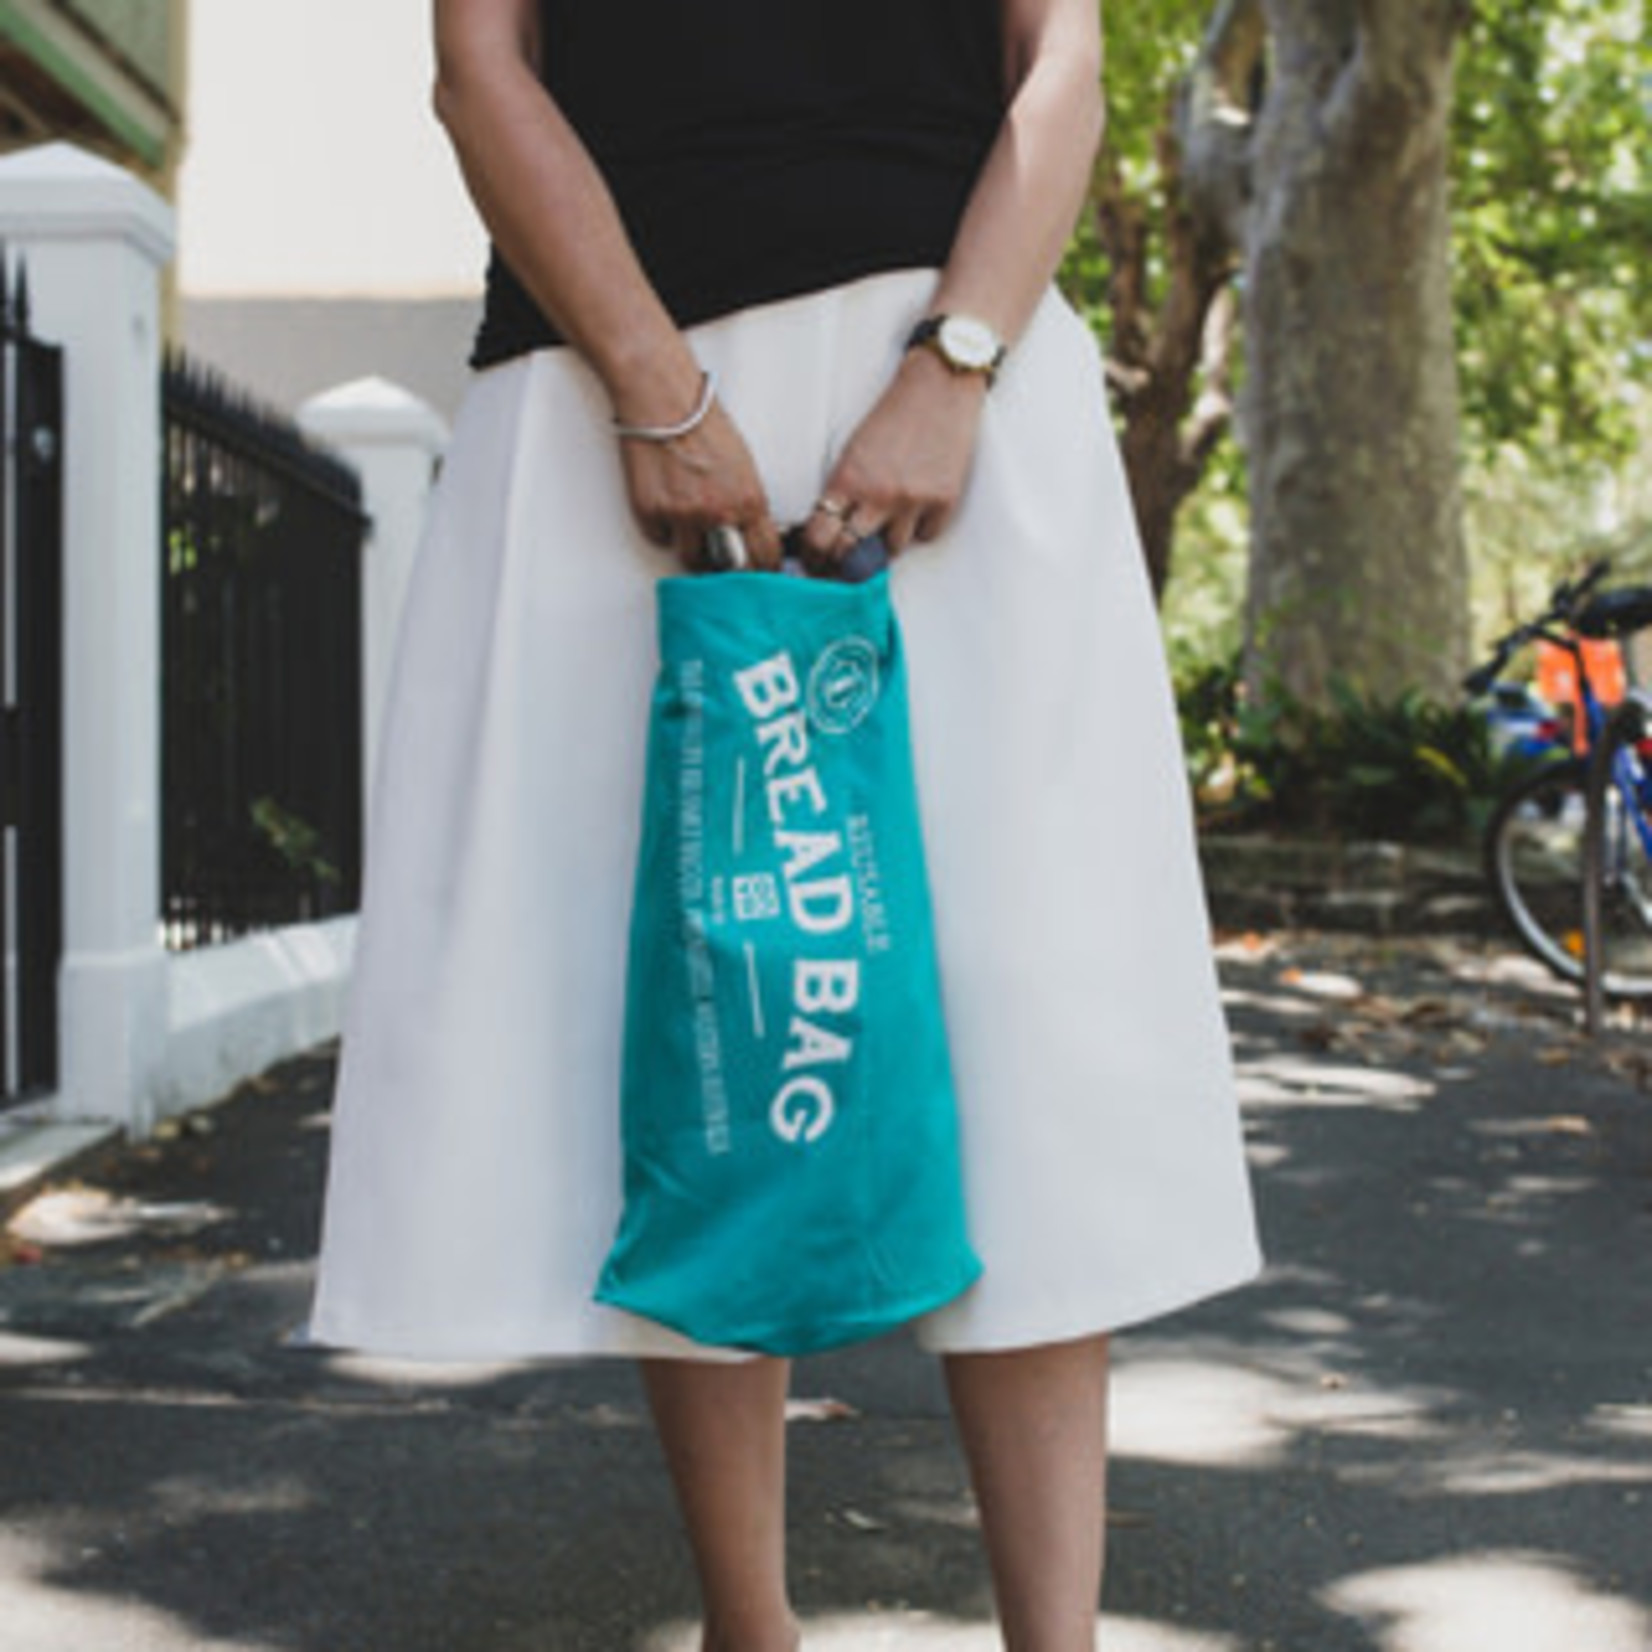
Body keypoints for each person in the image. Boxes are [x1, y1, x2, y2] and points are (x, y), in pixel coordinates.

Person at [304, 1, 1263, 1647]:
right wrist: (655, 389)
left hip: (954, 380)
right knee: (715, 1009)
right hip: (617, 386)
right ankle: (752, 1633)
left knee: (1023, 1015)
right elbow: (481, 71)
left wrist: (957, 366)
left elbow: (1064, 67)